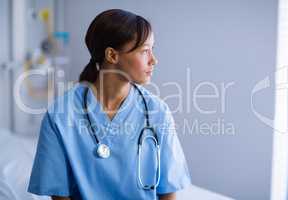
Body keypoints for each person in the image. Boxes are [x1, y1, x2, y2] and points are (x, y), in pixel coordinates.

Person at [27, 9, 191, 200]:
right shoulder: (60, 115)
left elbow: (168, 192)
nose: (154, 60)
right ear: (112, 55)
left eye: (152, 50)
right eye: (145, 51)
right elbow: (59, 195)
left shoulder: (157, 112)